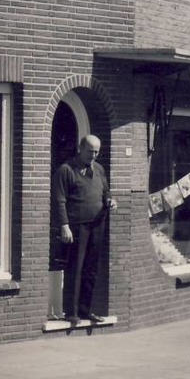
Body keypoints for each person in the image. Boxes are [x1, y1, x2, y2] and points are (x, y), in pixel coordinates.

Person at [53, 134, 116, 324]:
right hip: (76, 226)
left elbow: (106, 191)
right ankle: (70, 312)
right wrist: (64, 225)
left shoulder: (99, 169)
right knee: (75, 268)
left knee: (91, 269)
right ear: (80, 148)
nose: (94, 155)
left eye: (97, 151)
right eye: (90, 151)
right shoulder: (66, 170)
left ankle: (85, 310)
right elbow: (59, 200)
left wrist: (110, 200)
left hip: (97, 224)